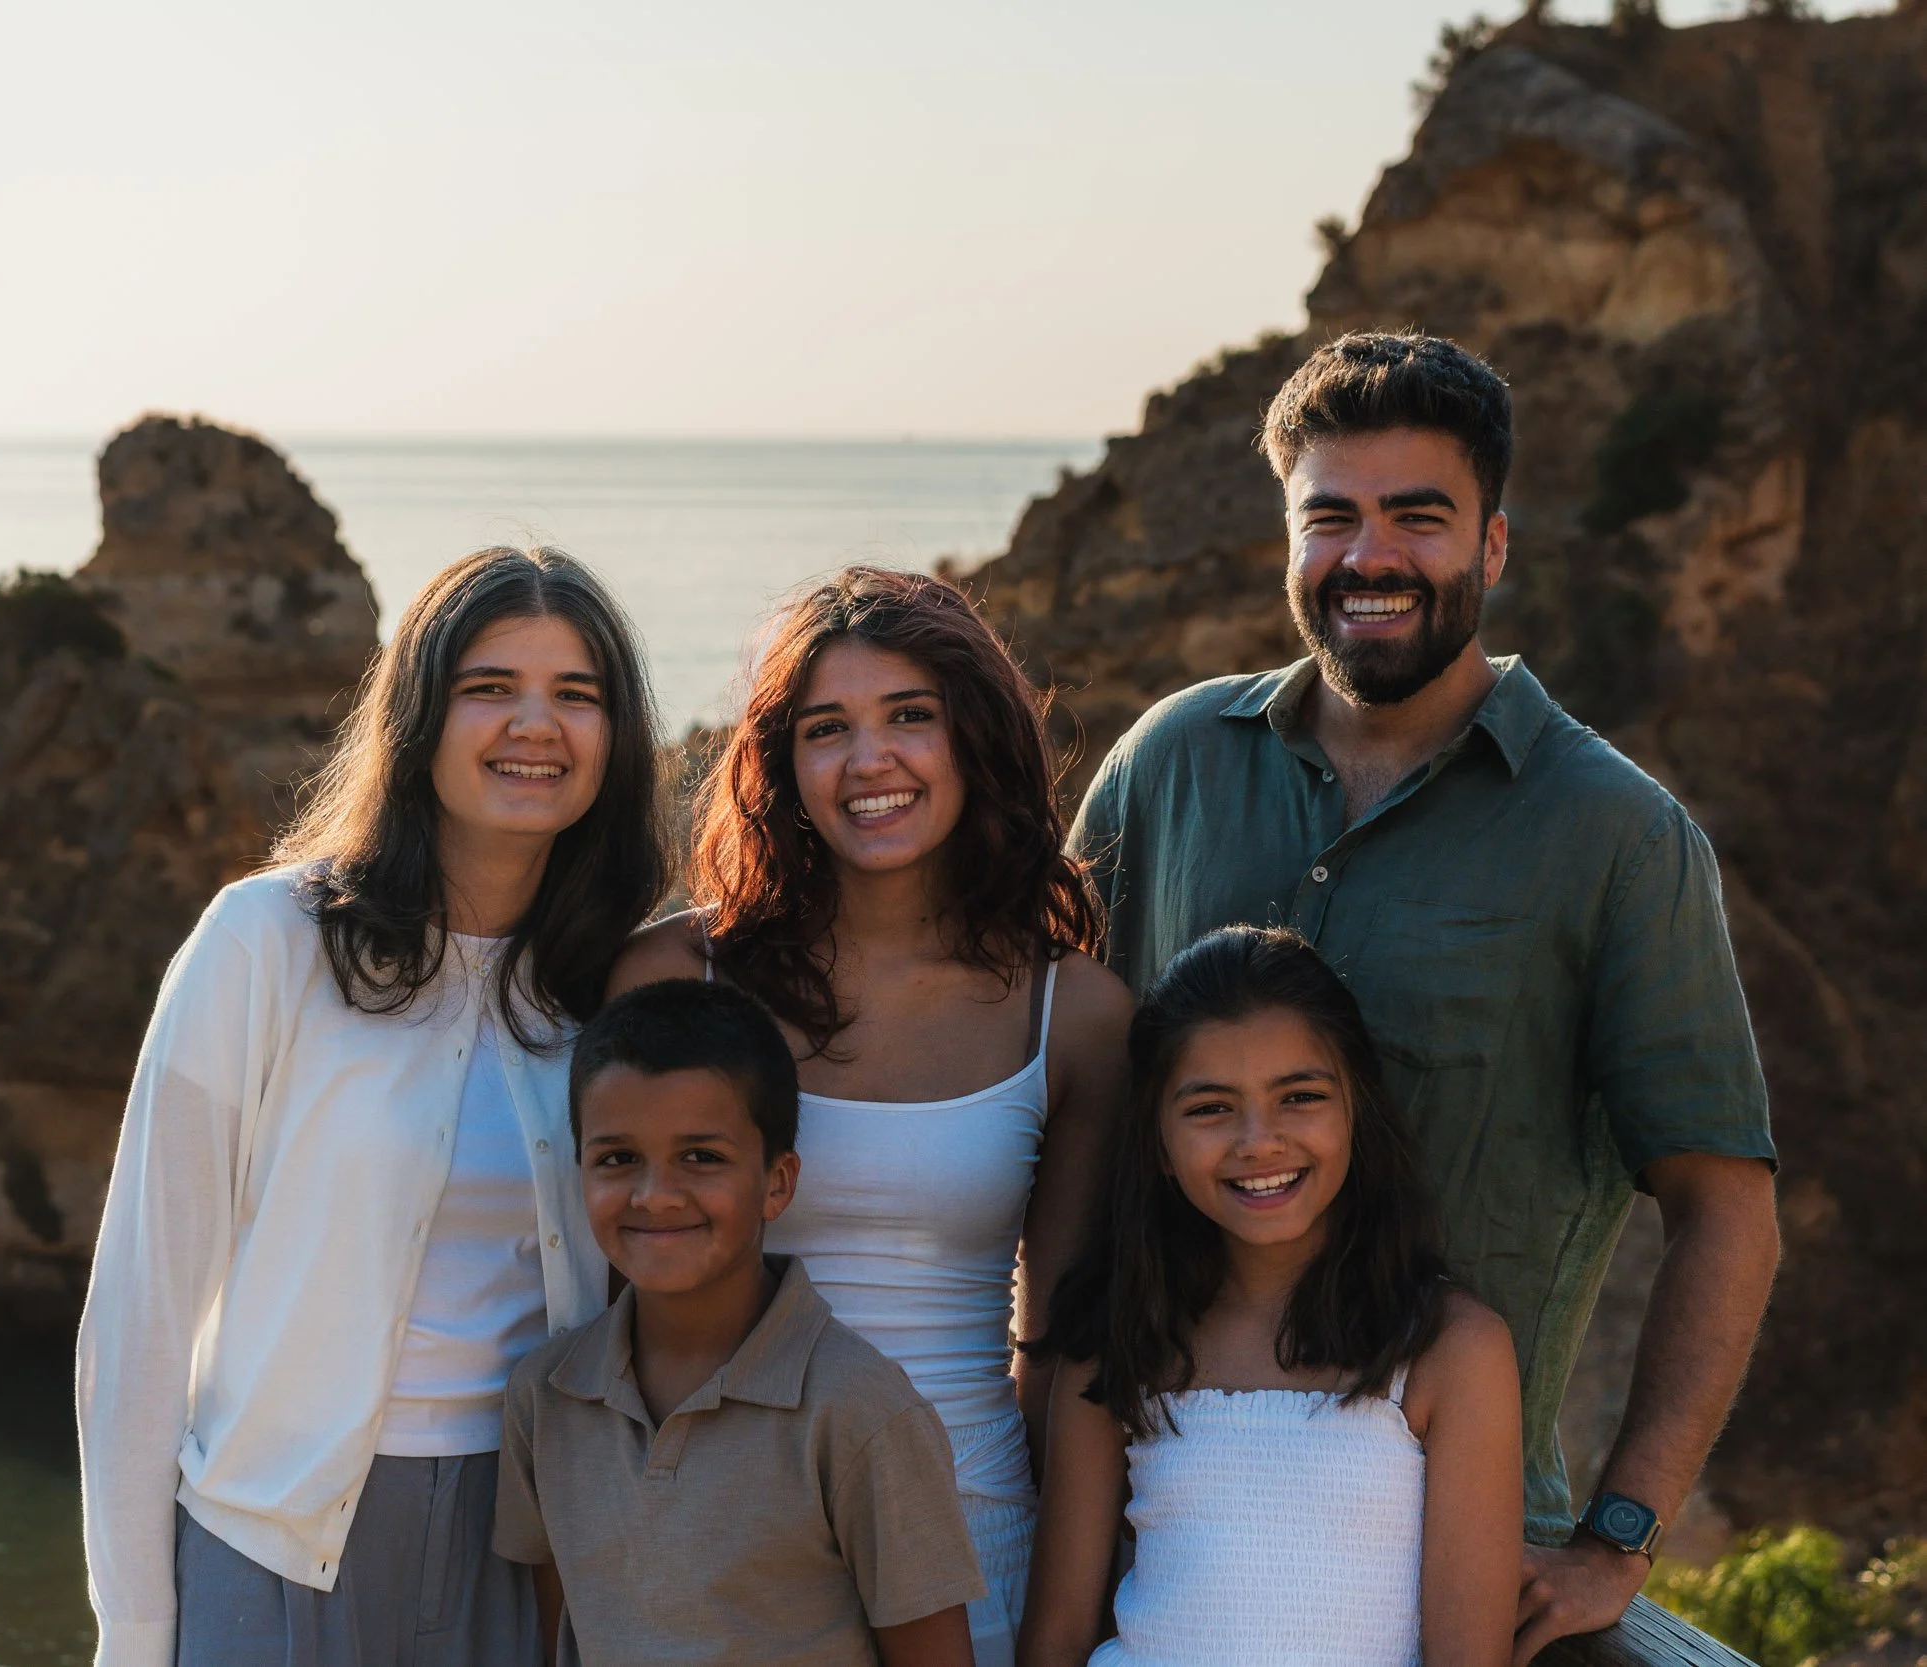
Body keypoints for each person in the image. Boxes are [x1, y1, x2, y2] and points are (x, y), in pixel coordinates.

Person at [1071, 332, 1780, 1661]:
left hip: (1457, 1563)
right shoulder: (1167, 766)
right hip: (1150, 1521)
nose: (1370, 555)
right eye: (1330, 517)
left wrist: (1618, 1537)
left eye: (1418, 516)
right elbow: (1054, 1095)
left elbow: (1726, 1206)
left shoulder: (1615, 836)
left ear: (1492, 545)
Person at [75, 546, 669, 1667]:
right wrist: (137, 1635)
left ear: (615, 736)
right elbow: (139, 1316)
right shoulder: (264, 943)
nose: (535, 724)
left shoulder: (617, 982)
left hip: (524, 1552)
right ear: (418, 716)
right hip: (269, 1554)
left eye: (576, 693)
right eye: (490, 686)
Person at [612, 566, 1133, 1667]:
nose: (869, 760)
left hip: (972, 1536)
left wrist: (1059, 1627)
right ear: (781, 763)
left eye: (910, 716)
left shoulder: (1073, 1014)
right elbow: (605, 1301)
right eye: (826, 728)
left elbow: (1065, 1353)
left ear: (973, 737)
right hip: (727, 1547)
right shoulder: (676, 976)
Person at [1018, 925, 1523, 1667]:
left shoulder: (1450, 1349)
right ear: (1157, 1143)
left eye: (1300, 1096)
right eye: (1210, 1108)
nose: (1258, 1140)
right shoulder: (1118, 1340)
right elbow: (1056, 1641)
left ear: (1357, 1108)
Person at [495, 977, 985, 1667]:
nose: (655, 1195)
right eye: (618, 1158)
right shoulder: (544, 1397)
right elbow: (558, 1632)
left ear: (777, 1182)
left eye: (701, 1157)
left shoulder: (861, 1413)